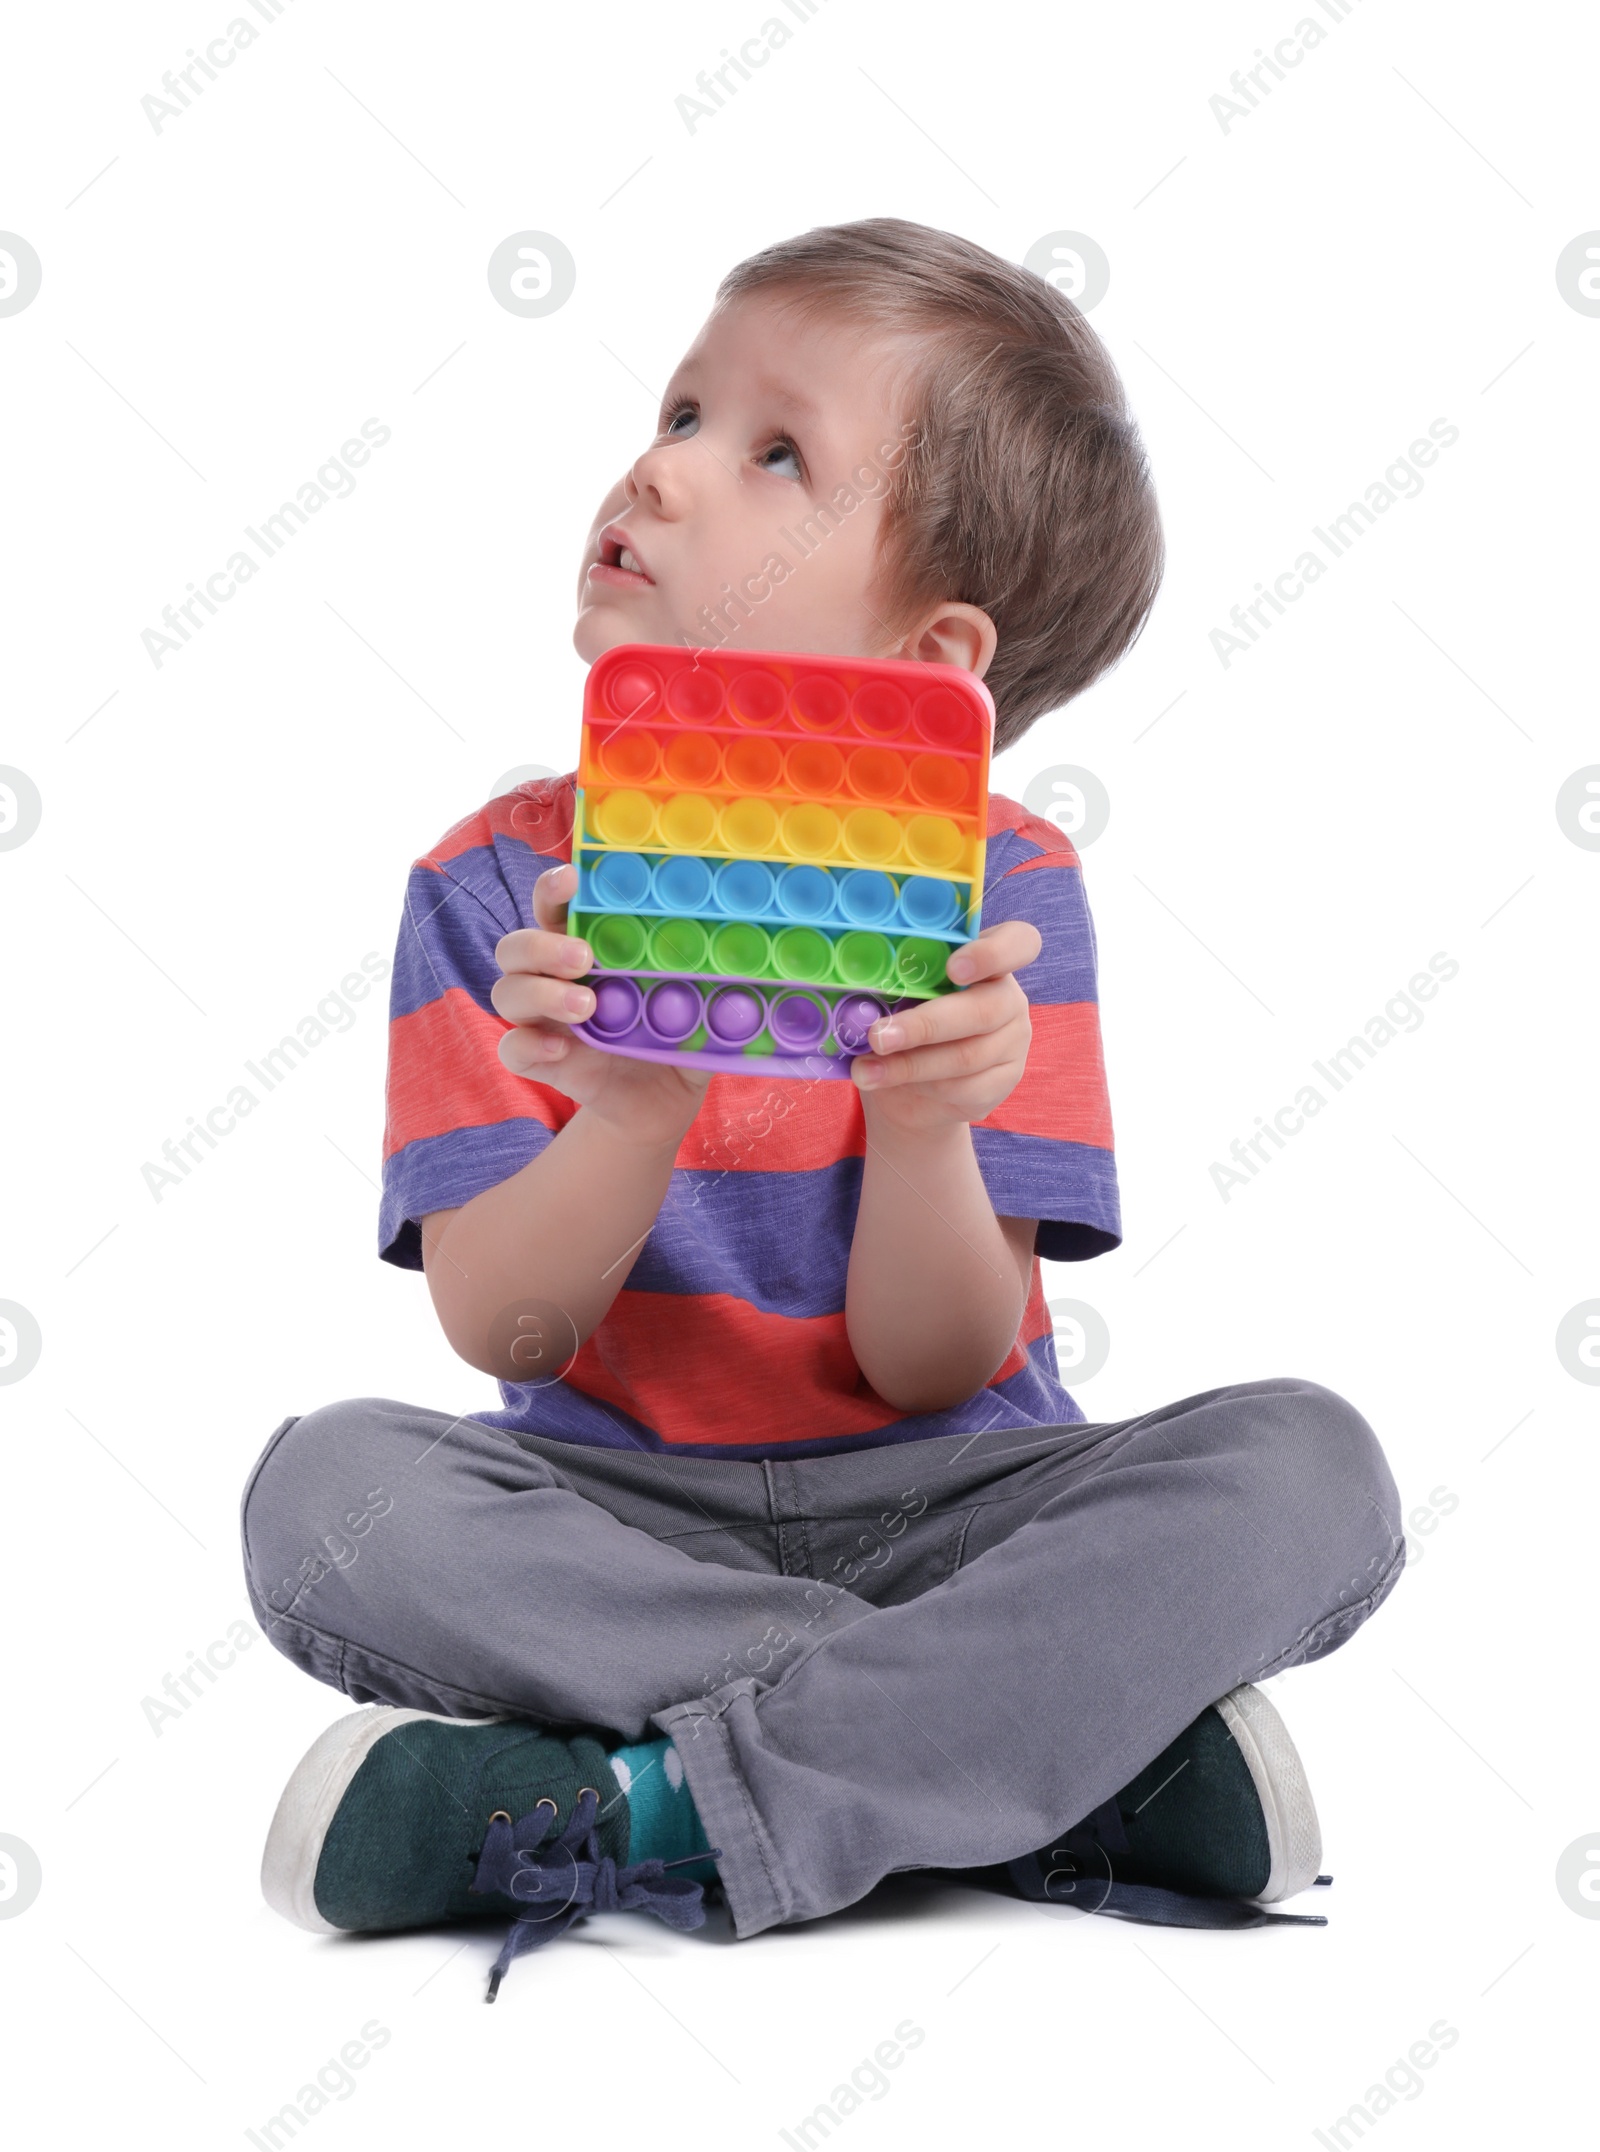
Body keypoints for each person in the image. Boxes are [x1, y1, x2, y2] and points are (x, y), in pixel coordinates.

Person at [240, 218, 1405, 2002]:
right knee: (329, 1493)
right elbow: (502, 1321)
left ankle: (648, 1806)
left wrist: (930, 1131)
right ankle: (1045, 1765)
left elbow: (934, 1369)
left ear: (936, 652)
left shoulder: (1012, 896)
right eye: (685, 407)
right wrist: (625, 1119)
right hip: (615, 1516)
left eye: (772, 451)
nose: (664, 465)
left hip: (959, 1493)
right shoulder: (490, 887)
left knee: (1314, 1466)